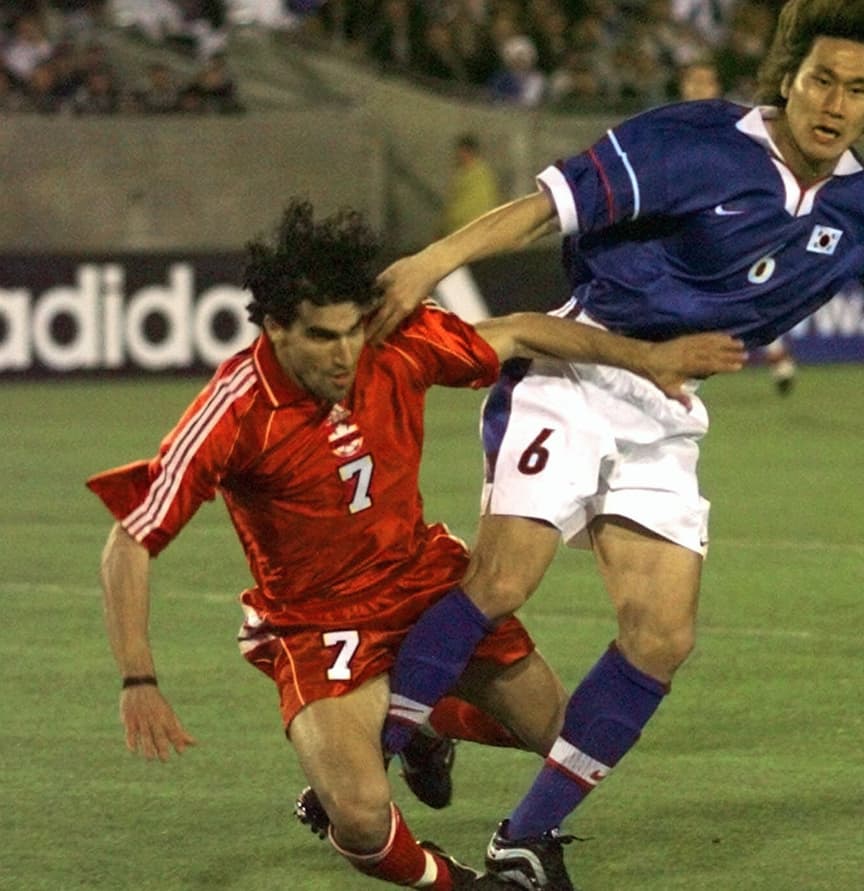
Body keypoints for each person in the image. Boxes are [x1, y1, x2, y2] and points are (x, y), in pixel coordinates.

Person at [364, 2, 864, 887]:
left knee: (663, 636)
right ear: (788, 76)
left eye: (857, 89)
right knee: (504, 580)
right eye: (820, 78)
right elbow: (540, 209)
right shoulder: (692, 141)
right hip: (575, 370)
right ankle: (365, 764)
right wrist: (425, 263)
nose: (833, 101)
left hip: (670, 410)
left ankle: (523, 838)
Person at [86, 198, 746, 890]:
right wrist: (139, 677)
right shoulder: (235, 408)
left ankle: (422, 721)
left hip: (425, 584)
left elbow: (520, 332)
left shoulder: (391, 342)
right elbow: (129, 541)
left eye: (351, 331)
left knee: (562, 734)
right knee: (362, 816)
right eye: (321, 336)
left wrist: (645, 357)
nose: (344, 354)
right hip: (321, 622)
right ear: (274, 327)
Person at [678, 57, 801, 397]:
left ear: (717, 87)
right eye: (693, 81)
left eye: (706, 81)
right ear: (683, 87)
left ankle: (774, 357)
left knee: (741, 294)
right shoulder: (671, 127)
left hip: (735, 227)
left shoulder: (741, 128)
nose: (699, 88)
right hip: (686, 228)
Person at [438, 133, 502, 239]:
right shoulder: (464, 175)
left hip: (472, 230)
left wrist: (447, 222)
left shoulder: (480, 176)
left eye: (461, 151)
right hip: (468, 231)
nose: (458, 155)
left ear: (468, 151)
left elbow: (471, 206)